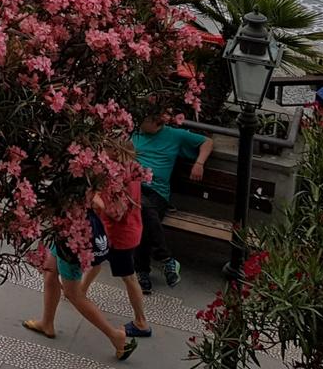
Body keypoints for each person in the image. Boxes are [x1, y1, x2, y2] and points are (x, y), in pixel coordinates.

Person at [23, 214, 137, 360]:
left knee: (73, 294)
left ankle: (115, 336)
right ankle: (47, 323)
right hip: (65, 230)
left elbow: (97, 202)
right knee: (49, 270)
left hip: (74, 237)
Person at [133, 112, 213, 293]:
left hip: (157, 192)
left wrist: (199, 164)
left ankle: (142, 271)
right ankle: (166, 260)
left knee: (142, 212)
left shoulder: (175, 135)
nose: (138, 125)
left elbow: (207, 142)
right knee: (142, 210)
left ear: (155, 121)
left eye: (142, 120)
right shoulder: (135, 133)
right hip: (134, 186)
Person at [93, 142, 152, 339]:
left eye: (105, 148)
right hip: (128, 230)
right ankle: (76, 291)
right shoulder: (132, 168)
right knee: (95, 259)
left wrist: (96, 198)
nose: (101, 152)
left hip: (120, 235)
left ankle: (141, 322)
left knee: (129, 277)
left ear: (116, 151)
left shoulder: (119, 177)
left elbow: (115, 213)